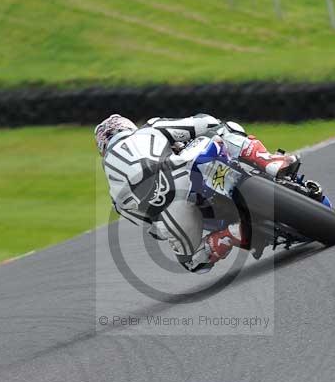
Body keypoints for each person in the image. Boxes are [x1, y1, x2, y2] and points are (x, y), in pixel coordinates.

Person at [95, 113, 306, 273]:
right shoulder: (149, 129)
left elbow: (153, 226)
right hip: (186, 168)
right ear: (128, 127)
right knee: (224, 128)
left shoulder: (115, 198)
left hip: (177, 214)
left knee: (194, 262)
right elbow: (203, 123)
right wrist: (183, 145)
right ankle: (268, 161)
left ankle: (229, 235)